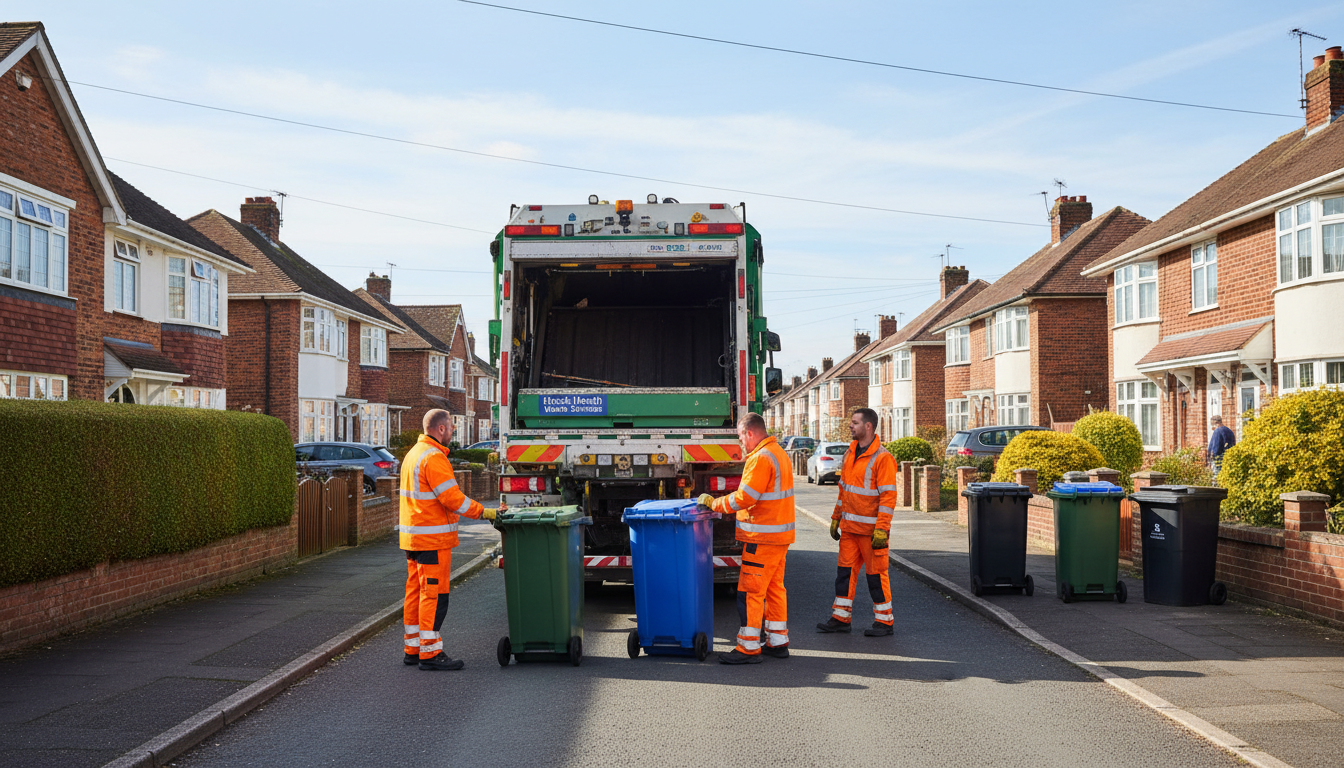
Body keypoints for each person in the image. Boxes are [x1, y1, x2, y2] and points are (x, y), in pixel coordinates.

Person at [399, 409, 495, 670]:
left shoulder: (413, 454)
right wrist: (485, 511)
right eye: (451, 427)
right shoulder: (434, 457)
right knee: (435, 595)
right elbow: (452, 499)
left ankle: (413, 649)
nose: (453, 431)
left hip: (413, 539)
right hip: (433, 539)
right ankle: (430, 654)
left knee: (416, 593)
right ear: (440, 429)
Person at [698, 412, 795, 664]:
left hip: (761, 536)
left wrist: (714, 503)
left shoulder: (761, 458)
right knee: (774, 589)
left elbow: (745, 497)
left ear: (750, 433)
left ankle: (748, 647)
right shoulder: (778, 453)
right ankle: (777, 641)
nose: (741, 442)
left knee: (750, 591)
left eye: (741, 436)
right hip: (778, 535)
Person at [817, 408, 898, 637]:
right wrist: (836, 518)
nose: (850, 426)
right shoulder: (850, 453)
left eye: (854, 422)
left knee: (876, 576)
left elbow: (888, 498)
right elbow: (844, 491)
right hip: (851, 530)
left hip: (872, 532)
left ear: (868, 426)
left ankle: (884, 621)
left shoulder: (883, 458)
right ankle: (841, 618)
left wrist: (882, 529)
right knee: (844, 575)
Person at [1207, 414, 1236, 481]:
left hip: (1219, 458)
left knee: (1217, 476)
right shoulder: (1229, 431)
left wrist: (1212, 457)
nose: (1212, 427)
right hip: (1228, 457)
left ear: (1216, 423)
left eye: (1212, 425)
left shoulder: (1218, 431)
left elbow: (1216, 446)